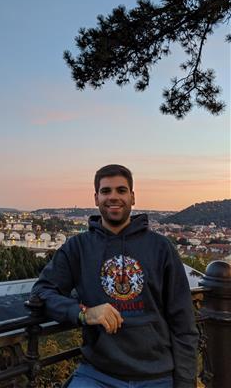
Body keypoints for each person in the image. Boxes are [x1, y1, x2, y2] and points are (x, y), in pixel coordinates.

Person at [31, 164, 198, 388]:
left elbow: (183, 322)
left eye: (121, 190)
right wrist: (84, 314)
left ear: (133, 196)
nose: (113, 197)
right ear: (96, 198)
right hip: (98, 373)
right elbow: (42, 292)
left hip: (156, 375)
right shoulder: (78, 247)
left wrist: (185, 382)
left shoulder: (160, 248)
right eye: (106, 191)